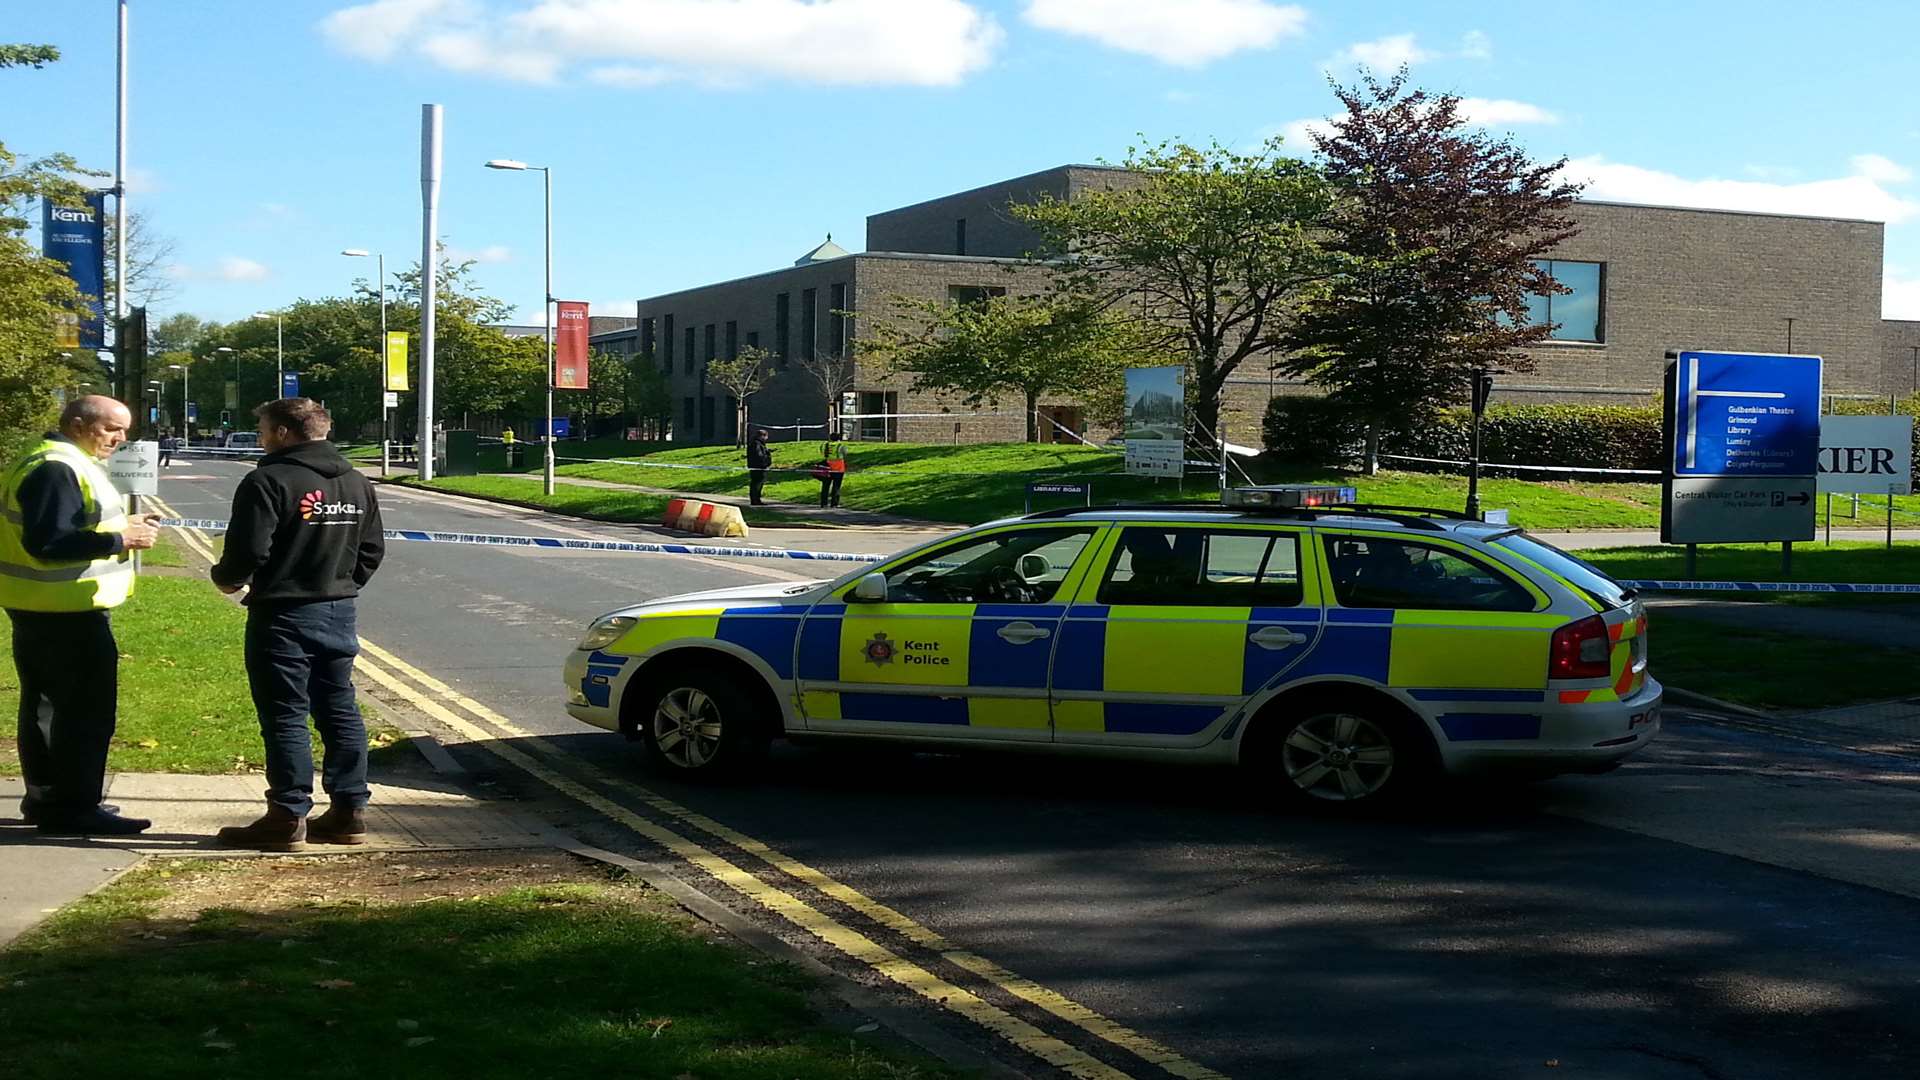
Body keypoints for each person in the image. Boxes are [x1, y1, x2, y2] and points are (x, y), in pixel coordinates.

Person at [210, 398, 385, 852]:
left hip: (283, 613)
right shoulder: (356, 481)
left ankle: (286, 815)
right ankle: (349, 811)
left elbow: (248, 551)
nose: (262, 436)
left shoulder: (267, 480)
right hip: (338, 608)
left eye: (264, 428)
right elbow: (371, 551)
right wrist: (339, 583)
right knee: (339, 708)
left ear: (285, 433)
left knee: (285, 712)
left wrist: (227, 580)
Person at [1, 396, 161, 835]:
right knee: (83, 716)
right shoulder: (57, 467)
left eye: (124, 430)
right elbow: (49, 542)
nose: (121, 438)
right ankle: (72, 808)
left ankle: (48, 801)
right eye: (111, 429)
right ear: (77, 424)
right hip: (65, 613)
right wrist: (121, 539)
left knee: (47, 710)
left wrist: (120, 530)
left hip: (44, 608)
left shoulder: (57, 459)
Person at [818, 432, 847, 508]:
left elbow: (821, 452)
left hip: (827, 467)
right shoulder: (841, 445)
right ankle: (834, 503)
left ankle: (823, 503)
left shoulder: (825, 445)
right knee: (836, 486)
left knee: (825, 486)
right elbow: (845, 454)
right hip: (839, 468)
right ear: (838, 438)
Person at [746, 427, 772, 505]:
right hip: (758, 467)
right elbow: (759, 455)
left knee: (756, 483)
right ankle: (755, 500)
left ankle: (756, 499)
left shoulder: (754, 443)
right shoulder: (757, 444)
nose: (766, 438)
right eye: (766, 436)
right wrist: (765, 460)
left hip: (756, 466)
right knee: (757, 483)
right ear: (762, 436)